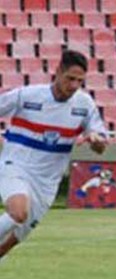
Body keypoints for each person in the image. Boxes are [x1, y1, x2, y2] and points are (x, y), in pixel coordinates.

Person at [0, 50, 107, 259]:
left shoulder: (84, 105)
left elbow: (101, 144)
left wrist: (96, 140)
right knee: (18, 213)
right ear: (57, 72)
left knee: (8, 245)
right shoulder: (27, 96)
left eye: (80, 81)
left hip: (47, 183)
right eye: (70, 79)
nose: (74, 86)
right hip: (16, 165)